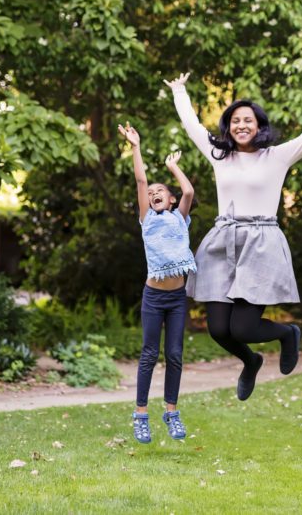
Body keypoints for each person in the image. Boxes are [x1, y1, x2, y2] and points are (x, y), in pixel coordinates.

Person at [165, 61, 302, 401]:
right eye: (235, 121)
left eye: (248, 120)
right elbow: (193, 126)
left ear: (259, 126)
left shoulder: (277, 157)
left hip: (260, 242)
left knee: (243, 327)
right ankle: (251, 361)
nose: (241, 125)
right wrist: (180, 92)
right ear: (228, 127)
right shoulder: (219, 155)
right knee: (218, 329)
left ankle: (287, 334)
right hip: (222, 241)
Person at [118, 122, 197, 444]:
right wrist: (135, 146)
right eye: (150, 194)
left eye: (159, 191)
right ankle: (140, 415)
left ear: (171, 199)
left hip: (177, 298)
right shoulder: (147, 219)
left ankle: (171, 412)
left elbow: (189, 192)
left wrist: (173, 167)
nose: (153, 195)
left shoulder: (180, 217)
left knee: (174, 354)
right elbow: (140, 180)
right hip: (153, 297)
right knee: (150, 354)